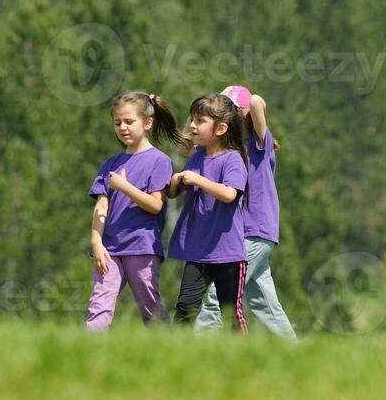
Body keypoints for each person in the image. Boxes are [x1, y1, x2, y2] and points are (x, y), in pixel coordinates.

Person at [195, 85, 297, 340]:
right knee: (264, 302)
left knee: (218, 296)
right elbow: (190, 140)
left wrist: (243, 104)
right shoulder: (226, 149)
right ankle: (293, 349)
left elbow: (258, 103)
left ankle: (193, 346)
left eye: (230, 111)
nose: (225, 117)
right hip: (241, 234)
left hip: (254, 230)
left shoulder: (260, 143)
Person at [85, 92, 186, 331]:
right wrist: (96, 242)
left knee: (150, 306)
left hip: (142, 246)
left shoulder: (159, 161)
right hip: (109, 249)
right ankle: (87, 352)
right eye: (117, 122)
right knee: (99, 304)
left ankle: (169, 348)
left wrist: (125, 187)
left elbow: (155, 205)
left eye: (129, 121)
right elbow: (101, 206)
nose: (122, 127)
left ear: (147, 123)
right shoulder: (110, 163)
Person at [167, 93, 249, 333]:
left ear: (221, 128)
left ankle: (245, 355)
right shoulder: (197, 157)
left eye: (199, 121)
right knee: (185, 307)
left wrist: (199, 180)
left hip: (228, 254)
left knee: (230, 312)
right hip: (198, 252)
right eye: (192, 119)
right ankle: (175, 355)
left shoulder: (233, 159)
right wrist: (175, 180)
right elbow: (174, 193)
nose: (192, 126)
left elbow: (229, 194)